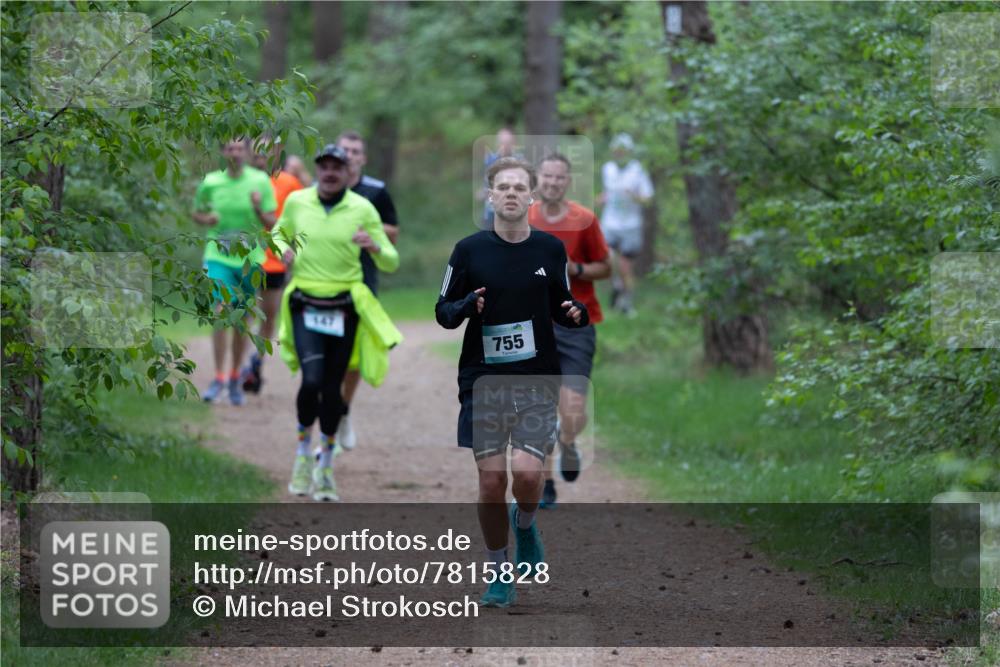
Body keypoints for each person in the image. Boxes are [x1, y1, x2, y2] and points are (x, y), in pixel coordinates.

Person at [436, 157, 589, 607]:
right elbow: (443, 312)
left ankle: (524, 526)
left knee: (526, 475)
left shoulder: (549, 250)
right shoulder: (468, 251)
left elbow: (564, 303)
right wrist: (466, 306)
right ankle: (498, 570)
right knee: (490, 482)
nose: (510, 194)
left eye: (519, 188)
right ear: (490, 195)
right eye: (502, 187)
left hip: (537, 376)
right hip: (483, 379)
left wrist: (576, 313)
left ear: (532, 197)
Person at [272, 144, 400, 501]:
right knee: (311, 380)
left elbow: (391, 260)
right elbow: (278, 233)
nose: (329, 172)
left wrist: (374, 245)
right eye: (324, 166)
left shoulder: (362, 208)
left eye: (336, 167)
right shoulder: (298, 201)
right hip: (305, 303)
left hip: (344, 307)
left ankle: (325, 464)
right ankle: (302, 454)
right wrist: (283, 249)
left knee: (332, 389)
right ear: (317, 171)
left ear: (347, 172)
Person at [528, 153, 611, 508]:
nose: (552, 182)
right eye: (547, 176)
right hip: (533, 324)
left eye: (559, 177)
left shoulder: (584, 220)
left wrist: (575, 269)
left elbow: (605, 267)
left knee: (573, 407)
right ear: (538, 179)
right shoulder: (523, 218)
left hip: (577, 323)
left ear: (568, 181)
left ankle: (568, 440)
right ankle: (546, 484)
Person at [193, 138, 277, 406]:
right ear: (223, 152)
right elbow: (197, 213)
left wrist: (257, 208)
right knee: (220, 311)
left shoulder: (260, 181)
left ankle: (234, 376)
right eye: (230, 148)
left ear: (248, 153)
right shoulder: (211, 182)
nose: (235, 153)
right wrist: (207, 219)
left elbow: (272, 221)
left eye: (240, 148)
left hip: (250, 259)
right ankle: (218, 376)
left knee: (242, 318)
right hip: (218, 255)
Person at [332, 130, 400, 451]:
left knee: (354, 355)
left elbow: (393, 233)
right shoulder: (321, 188)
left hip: (363, 279)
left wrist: (368, 230)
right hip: (324, 278)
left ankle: (343, 409)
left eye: (355, 151)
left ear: (363, 159)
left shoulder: (376, 191)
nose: (349, 156)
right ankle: (329, 407)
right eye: (344, 149)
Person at [242, 135, 304, 394]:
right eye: (258, 150)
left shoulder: (289, 183)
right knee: (242, 314)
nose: (262, 155)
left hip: (275, 261)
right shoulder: (241, 180)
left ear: (278, 151)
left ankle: (255, 363)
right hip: (244, 259)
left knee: (268, 315)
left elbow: (302, 218)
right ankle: (239, 365)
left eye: (267, 149)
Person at [598, 133, 653, 317]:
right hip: (610, 222)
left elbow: (647, 199)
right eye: (616, 150)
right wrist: (601, 199)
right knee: (607, 259)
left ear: (629, 151)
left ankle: (627, 303)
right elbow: (607, 192)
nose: (619, 153)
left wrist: (634, 196)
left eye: (622, 150)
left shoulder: (638, 171)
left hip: (631, 225)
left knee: (625, 266)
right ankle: (617, 286)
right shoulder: (608, 168)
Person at [480, 127, 518, 227]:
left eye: (507, 143)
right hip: (491, 211)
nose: (504, 146)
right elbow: (486, 186)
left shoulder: (520, 162)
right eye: (501, 143)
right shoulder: (490, 161)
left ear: (513, 143)